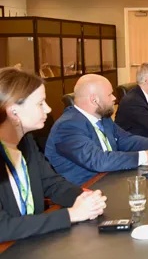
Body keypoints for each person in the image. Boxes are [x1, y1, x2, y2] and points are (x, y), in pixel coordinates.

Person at [0, 68, 107, 242]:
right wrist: (71, 215)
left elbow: (52, 184)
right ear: (13, 111)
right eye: (40, 103)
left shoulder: (26, 142)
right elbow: (3, 227)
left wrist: (84, 198)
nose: (48, 109)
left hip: (30, 242)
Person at [45, 74, 148, 186]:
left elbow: (126, 139)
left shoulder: (103, 117)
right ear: (94, 100)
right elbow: (98, 161)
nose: (114, 98)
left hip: (111, 179)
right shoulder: (67, 126)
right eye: (110, 94)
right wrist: (146, 156)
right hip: (86, 190)